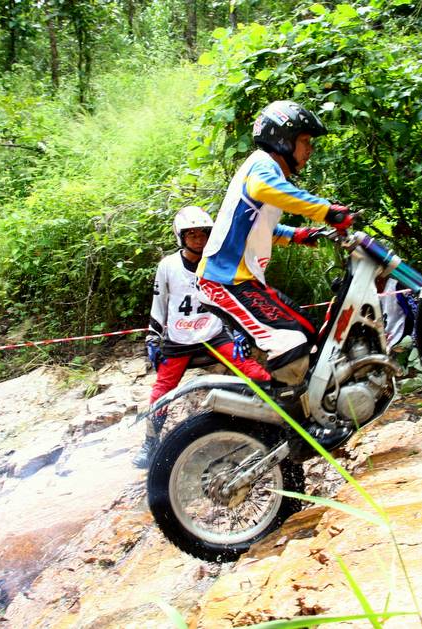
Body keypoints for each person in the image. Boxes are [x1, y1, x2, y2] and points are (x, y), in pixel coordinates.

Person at [195, 100, 355, 447]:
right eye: (305, 141)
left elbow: (258, 224)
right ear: (283, 140)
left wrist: (296, 235)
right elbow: (267, 191)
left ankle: (300, 411)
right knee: (291, 346)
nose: (309, 150)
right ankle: (295, 434)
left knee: (307, 330)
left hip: (243, 282)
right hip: (225, 282)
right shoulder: (263, 167)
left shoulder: (267, 172)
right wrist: (327, 211)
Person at [132, 206, 271, 469]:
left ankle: (278, 417)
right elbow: (159, 302)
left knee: (254, 371)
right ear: (181, 236)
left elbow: (232, 299)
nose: (198, 239)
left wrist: (240, 331)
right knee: (161, 390)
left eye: (203, 233)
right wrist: (152, 338)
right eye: (191, 234)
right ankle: (150, 442)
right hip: (179, 336)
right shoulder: (168, 266)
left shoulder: (216, 261)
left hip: (213, 331)